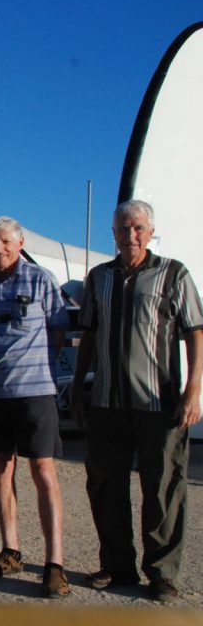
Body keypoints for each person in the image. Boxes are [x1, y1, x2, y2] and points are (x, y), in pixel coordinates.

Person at [72, 200, 203, 603]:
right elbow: (89, 335)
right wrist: (78, 385)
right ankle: (118, 566)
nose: (131, 235)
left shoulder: (173, 274)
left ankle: (162, 573)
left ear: (150, 232)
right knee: (106, 484)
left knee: (163, 487)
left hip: (158, 402)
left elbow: (195, 332)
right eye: (123, 228)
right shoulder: (99, 278)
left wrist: (193, 391)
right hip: (108, 401)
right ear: (113, 232)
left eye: (139, 228)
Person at [0, 216, 70, 598]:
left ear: (20, 242)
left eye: (6, 242)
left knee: (43, 470)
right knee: (2, 468)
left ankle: (54, 563)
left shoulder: (41, 279)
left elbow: (58, 328)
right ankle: (10, 550)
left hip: (34, 392)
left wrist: (40, 367)